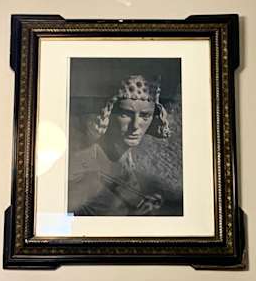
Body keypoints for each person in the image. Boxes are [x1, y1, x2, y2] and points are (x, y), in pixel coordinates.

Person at [67, 74, 176, 216]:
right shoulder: (82, 166)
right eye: (125, 114)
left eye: (145, 116)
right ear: (108, 113)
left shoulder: (133, 162)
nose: (135, 125)